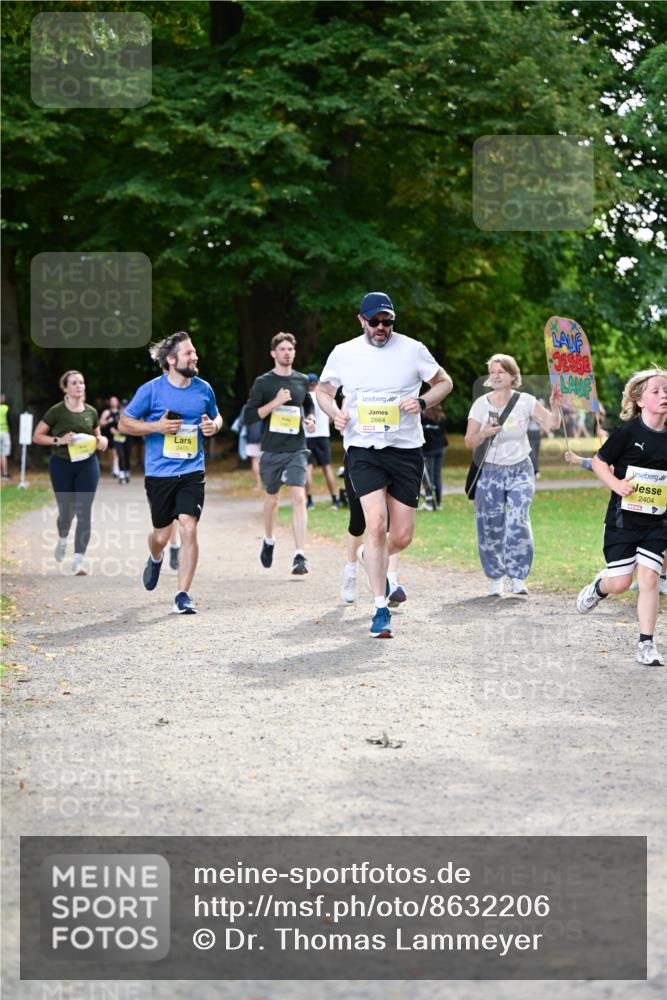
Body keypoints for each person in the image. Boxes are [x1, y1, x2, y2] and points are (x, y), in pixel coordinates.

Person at [317, 291, 452, 638]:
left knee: (402, 536)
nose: (381, 327)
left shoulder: (413, 349)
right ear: (361, 320)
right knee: (375, 524)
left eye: (387, 321)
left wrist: (421, 401)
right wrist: (335, 413)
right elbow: (323, 391)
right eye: (374, 321)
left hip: (406, 449)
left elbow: (444, 382)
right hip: (363, 448)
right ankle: (379, 608)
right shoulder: (343, 353)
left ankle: (368, 555)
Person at [119, 331, 223, 614]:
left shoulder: (204, 389)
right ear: (171, 360)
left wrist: (215, 426)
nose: (195, 356)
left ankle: (182, 595)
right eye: (189, 353)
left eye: (194, 352)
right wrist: (156, 427)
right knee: (162, 536)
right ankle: (155, 557)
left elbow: (216, 415)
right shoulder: (151, 390)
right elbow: (124, 423)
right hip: (160, 474)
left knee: (188, 526)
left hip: (192, 469)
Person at [576, 368, 667, 666]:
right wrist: (617, 485)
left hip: (658, 522)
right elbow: (600, 463)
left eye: (666, 390)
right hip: (623, 521)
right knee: (620, 583)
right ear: (640, 400)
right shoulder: (627, 432)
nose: (664, 395)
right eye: (656, 391)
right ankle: (599, 588)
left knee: (650, 577)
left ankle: (646, 644)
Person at [465, 354, 562, 597]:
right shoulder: (481, 404)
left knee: (518, 520)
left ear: (512, 375)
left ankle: (517, 577)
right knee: (489, 525)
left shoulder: (525, 401)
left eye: (501, 371)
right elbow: (469, 441)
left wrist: (555, 405)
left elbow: (552, 424)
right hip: (490, 471)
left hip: (520, 469)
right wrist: (485, 432)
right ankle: (496, 577)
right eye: (493, 371)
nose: (496, 375)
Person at [244, 332, 316, 575]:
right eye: (283, 349)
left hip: (297, 448)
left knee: (298, 496)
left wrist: (310, 418)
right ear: (273, 353)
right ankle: (269, 539)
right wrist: (275, 403)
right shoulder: (263, 382)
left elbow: (307, 403)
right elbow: (250, 416)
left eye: (290, 349)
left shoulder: (302, 380)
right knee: (272, 500)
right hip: (272, 450)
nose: (288, 352)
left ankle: (299, 555)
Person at [32, 370, 108, 575]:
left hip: (87, 464)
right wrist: (60, 440)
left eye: (81, 382)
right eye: (74, 383)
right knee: (67, 512)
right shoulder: (56, 412)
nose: (79, 386)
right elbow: (37, 436)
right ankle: (63, 539)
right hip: (62, 464)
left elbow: (98, 436)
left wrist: (103, 441)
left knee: (84, 511)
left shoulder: (91, 411)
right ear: (65, 387)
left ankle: (78, 561)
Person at [566, 448, 667, 597]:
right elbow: (604, 465)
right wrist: (579, 460)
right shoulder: (630, 441)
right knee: (620, 582)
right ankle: (609, 583)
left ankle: (658, 577)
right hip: (632, 515)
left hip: (658, 510)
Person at [339, 453, 405, 606]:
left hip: (391, 456)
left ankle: (391, 580)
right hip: (359, 457)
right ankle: (351, 572)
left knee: (389, 523)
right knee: (358, 522)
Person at [305, 373, 339, 510]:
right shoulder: (324, 396)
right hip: (323, 435)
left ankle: (309, 501)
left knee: (307, 469)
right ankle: (335, 500)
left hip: (307, 436)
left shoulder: (304, 397)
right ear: (317, 383)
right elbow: (333, 416)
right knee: (327, 468)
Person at [421, 403, 448, 509]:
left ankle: (430, 503)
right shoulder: (442, 417)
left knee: (429, 477)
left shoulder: (423, 417)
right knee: (437, 476)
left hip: (429, 450)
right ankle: (439, 502)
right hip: (441, 448)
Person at [0, 393, 11, 479]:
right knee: (4, 454)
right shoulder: (5, 408)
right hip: (5, 432)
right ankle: (5, 473)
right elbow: (10, 421)